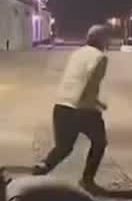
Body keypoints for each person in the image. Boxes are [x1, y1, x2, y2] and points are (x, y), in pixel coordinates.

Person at [33, 24, 110, 191]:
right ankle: (87, 180)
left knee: (63, 147)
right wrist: (94, 103)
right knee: (99, 142)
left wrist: (94, 101)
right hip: (82, 108)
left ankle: (41, 169)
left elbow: (74, 80)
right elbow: (90, 82)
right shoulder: (100, 58)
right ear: (102, 40)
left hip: (61, 105)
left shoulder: (77, 53)